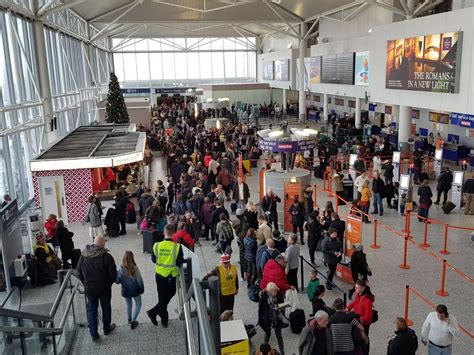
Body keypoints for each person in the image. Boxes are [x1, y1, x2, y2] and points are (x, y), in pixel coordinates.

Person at [76, 235, 117, 341]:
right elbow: (113, 275)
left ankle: (94, 334)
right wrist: (108, 283)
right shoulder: (107, 257)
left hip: (89, 288)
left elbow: (78, 272)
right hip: (104, 288)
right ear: (103, 244)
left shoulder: (83, 256)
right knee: (106, 308)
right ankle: (106, 328)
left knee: (91, 309)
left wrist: (85, 282)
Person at [146, 224, 184, 328]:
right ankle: (154, 313)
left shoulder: (156, 245)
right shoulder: (177, 247)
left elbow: (154, 260)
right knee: (170, 293)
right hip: (170, 276)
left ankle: (162, 318)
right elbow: (180, 262)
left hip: (159, 275)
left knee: (161, 297)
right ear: (174, 233)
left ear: (164, 232)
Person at [115, 251, 144, 330]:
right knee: (138, 304)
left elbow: (117, 281)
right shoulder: (135, 267)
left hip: (126, 291)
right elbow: (139, 280)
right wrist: (142, 289)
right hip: (135, 290)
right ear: (132, 258)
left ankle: (129, 319)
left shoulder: (120, 269)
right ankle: (134, 321)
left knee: (129, 305)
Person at [347, 280, 375, 354]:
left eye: (357, 288)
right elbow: (354, 302)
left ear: (363, 288)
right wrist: (348, 308)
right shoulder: (359, 294)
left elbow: (368, 317)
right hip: (358, 319)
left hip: (363, 323)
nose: (355, 289)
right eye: (355, 287)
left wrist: (360, 320)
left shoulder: (367, 300)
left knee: (364, 339)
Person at [258, 282, 286, 355]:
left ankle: (282, 352)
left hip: (277, 319)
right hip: (268, 319)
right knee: (267, 334)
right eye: (273, 291)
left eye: (276, 290)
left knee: (279, 336)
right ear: (269, 291)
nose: (275, 292)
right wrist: (260, 320)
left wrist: (281, 308)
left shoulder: (279, 294)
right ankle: (264, 350)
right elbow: (260, 310)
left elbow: (282, 304)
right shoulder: (264, 297)